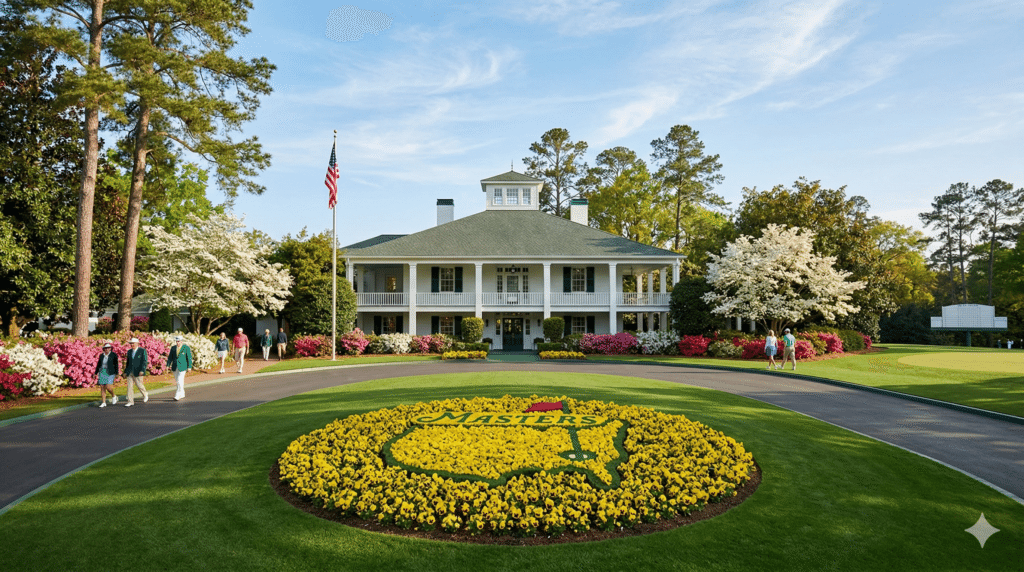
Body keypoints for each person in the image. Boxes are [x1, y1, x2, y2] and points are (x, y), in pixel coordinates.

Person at [122, 337, 149, 407]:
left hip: (138, 371)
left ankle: (145, 394)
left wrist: (142, 370)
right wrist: (125, 372)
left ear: (137, 343)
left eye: (133, 343)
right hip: (130, 371)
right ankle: (130, 401)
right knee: (129, 386)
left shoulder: (142, 350)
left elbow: (144, 361)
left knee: (139, 384)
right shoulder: (129, 351)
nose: (132, 345)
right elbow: (128, 362)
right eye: (131, 343)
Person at [166, 335, 193, 401]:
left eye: (179, 341)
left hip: (183, 367)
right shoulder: (173, 348)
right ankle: (182, 393)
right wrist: (167, 365)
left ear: (181, 341)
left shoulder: (186, 348)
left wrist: (189, 367)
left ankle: (177, 395)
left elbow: (189, 358)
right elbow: (170, 358)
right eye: (177, 341)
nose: (177, 343)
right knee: (178, 381)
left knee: (179, 380)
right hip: (175, 366)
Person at [94, 343, 119, 407]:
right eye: (106, 348)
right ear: (104, 349)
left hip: (110, 372)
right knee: (102, 387)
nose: (107, 349)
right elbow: (99, 364)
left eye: (108, 348)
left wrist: (117, 373)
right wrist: (95, 373)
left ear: (110, 348)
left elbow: (116, 364)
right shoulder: (101, 355)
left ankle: (113, 396)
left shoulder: (113, 355)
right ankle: (104, 402)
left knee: (108, 386)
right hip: (102, 371)